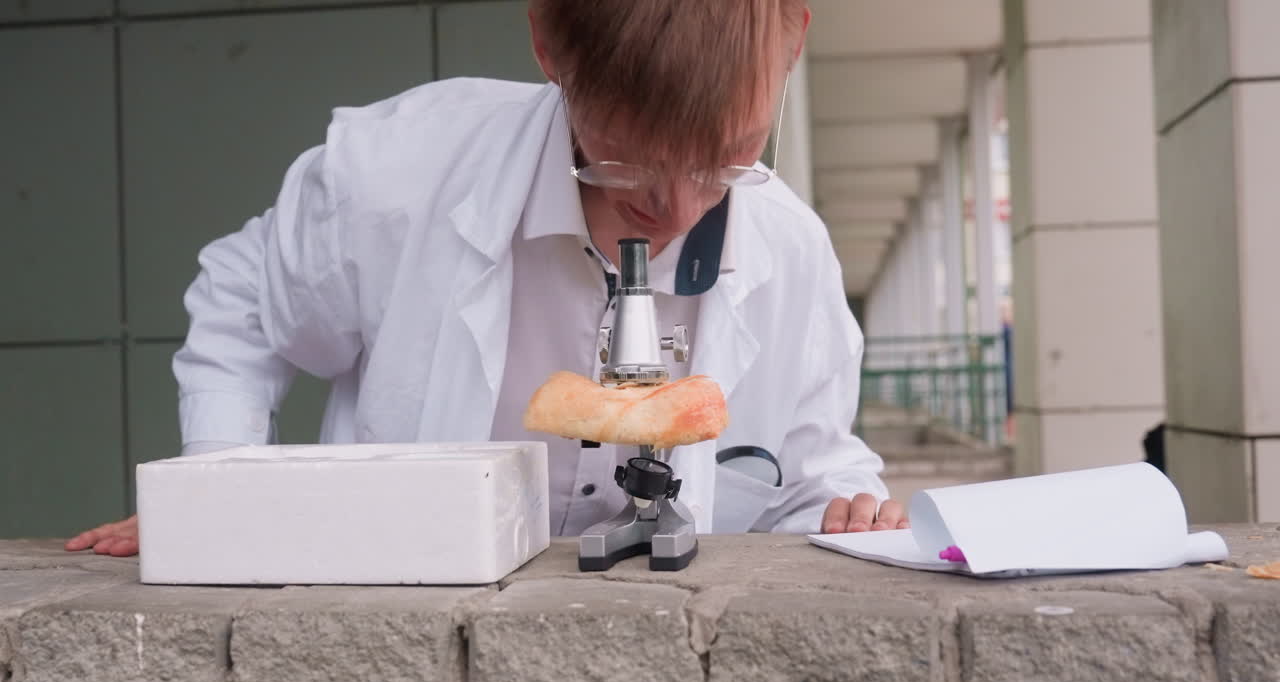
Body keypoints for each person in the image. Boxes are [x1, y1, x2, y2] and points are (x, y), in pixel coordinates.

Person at [66, 0, 906, 558]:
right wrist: (221, 485)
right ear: (548, 42)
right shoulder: (401, 175)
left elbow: (810, 467)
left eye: (727, 158)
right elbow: (244, 302)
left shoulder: (792, 249)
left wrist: (849, 505)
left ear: (795, 37)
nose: (680, 209)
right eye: (630, 166)